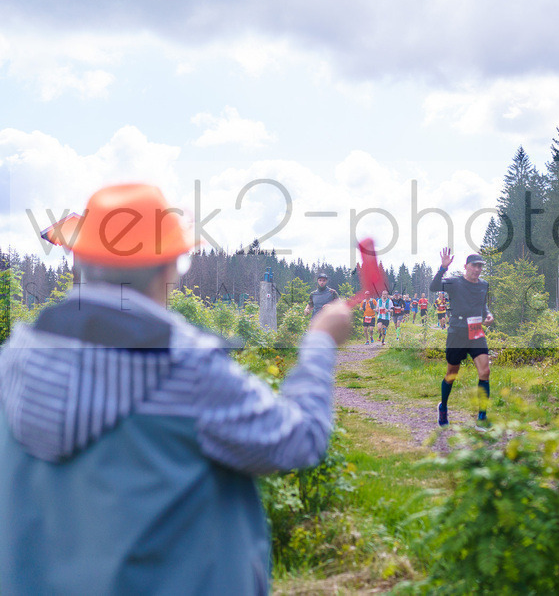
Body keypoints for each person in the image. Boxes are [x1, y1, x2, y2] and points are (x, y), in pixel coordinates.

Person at [0, 183, 352, 595]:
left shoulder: (13, 360)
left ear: (79, 263)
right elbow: (300, 439)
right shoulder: (186, 369)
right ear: (168, 268)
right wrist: (321, 341)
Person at [430, 249, 494, 427]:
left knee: (485, 372)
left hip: (475, 331)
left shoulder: (483, 285)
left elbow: (483, 306)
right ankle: (443, 407)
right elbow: (434, 287)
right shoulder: (454, 282)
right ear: (466, 266)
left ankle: (482, 417)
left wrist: (488, 315)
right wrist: (443, 268)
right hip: (457, 332)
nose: (477, 269)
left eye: (480, 266)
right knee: (452, 373)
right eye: (474, 266)